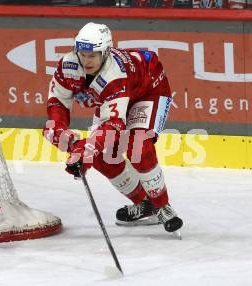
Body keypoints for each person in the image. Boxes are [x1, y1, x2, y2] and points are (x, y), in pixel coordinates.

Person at [43, 22, 183, 233]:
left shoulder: (113, 74)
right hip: (115, 100)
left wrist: (84, 151)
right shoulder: (68, 66)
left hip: (148, 90)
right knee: (101, 156)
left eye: (93, 55)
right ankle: (145, 205)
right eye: (82, 53)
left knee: (139, 146)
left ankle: (162, 205)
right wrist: (63, 135)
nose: (86, 60)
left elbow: (114, 125)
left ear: (106, 52)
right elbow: (57, 103)